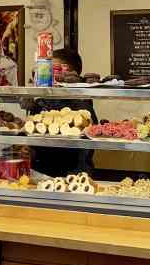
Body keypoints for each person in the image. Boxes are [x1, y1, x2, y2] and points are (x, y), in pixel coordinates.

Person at [27, 48, 98, 178]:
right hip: (40, 172)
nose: (48, 74)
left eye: (53, 70)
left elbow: (84, 151)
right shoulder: (41, 101)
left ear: (70, 73)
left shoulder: (82, 105)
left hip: (73, 174)